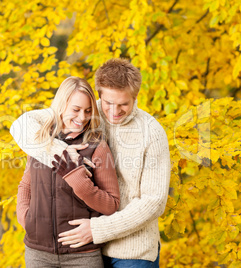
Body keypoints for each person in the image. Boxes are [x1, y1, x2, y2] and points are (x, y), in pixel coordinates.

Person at [11, 58, 171, 267]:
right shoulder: (85, 112)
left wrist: (98, 229)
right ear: (99, 95)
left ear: (135, 97)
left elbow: (154, 202)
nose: (114, 111)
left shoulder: (152, 132)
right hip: (84, 247)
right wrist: (62, 151)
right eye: (108, 103)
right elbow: (21, 125)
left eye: (123, 104)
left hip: (131, 250)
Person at [14, 76, 120, 267]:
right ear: (61, 105)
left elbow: (111, 204)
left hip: (82, 256)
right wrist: (27, 220)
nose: (82, 118)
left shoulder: (97, 146)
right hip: (38, 254)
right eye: (76, 110)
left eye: (88, 111)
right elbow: (26, 185)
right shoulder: (41, 140)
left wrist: (78, 180)